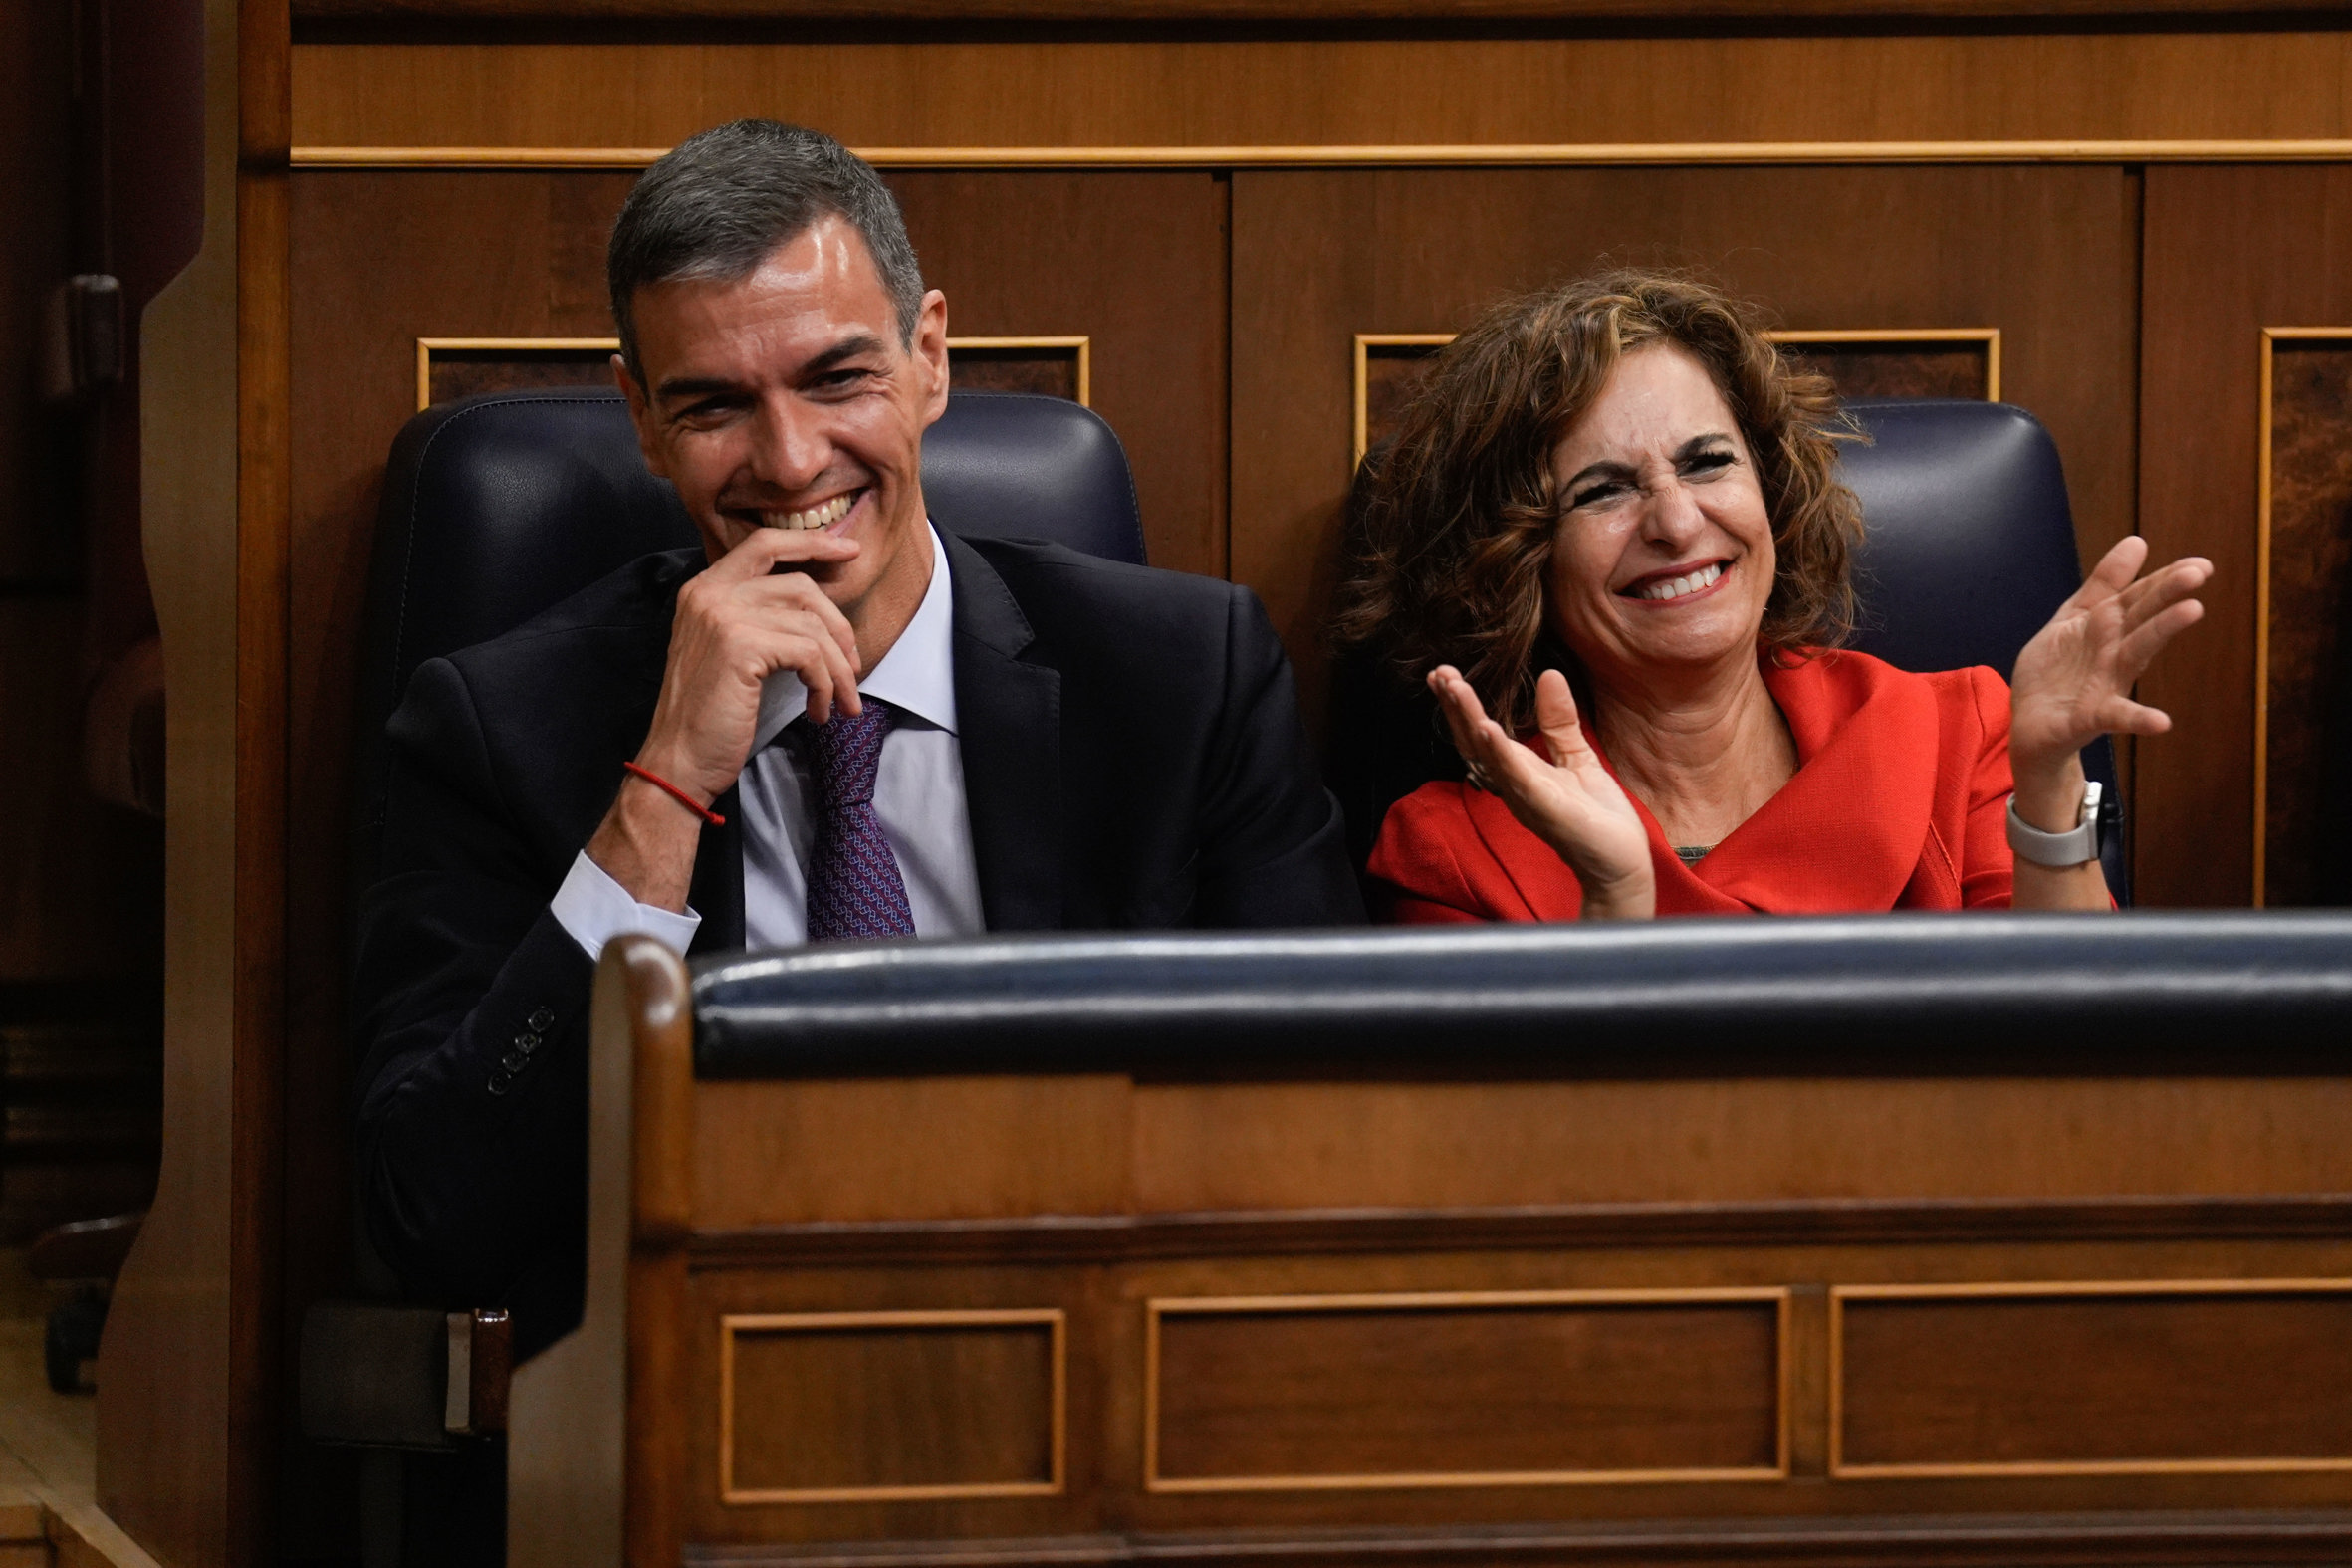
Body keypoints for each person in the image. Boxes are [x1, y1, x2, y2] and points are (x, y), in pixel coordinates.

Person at [352, 119, 1361, 1356]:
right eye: (715, 405)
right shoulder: (502, 727)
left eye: (838, 380)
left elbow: (1322, 1124)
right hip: (699, 1391)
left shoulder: (1179, 682)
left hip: (1092, 1363)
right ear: (643, 421)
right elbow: (434, 1216)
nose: (788, 462)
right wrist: (662, 792)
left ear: (929, 357)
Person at [1335, 270, 2210, 923]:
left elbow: (2062, 1074)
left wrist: (2050, 779)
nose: (1677, 522)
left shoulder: (1960, 731)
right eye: (1602, 490)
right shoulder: (1453, 851)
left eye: (1708, 461)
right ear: (1518, 560)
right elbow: (1544, 1156)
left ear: (1774, 497)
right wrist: (1615, 896)